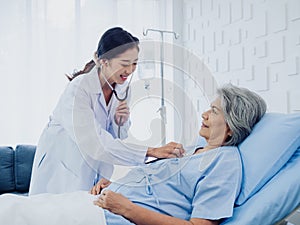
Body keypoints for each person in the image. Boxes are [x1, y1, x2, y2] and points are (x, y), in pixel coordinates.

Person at [0, 84, 266, 225]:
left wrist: (124, 206)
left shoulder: (224, 162)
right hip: (98, 203)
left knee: (12, 215)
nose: (204, 114)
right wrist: (115, 186)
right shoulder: (192, 152)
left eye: (214, 111)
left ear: (231, 127)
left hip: (109, 216)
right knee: (11, 206)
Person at [29, 27, 184, 195]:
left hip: (91, 167)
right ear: (104, 61)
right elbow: (94, 142)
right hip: (62, 165)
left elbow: (117, 136)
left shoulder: (122, 89)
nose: (130, 70)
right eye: (125, 64)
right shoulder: (79, 89)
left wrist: (121, 122)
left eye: (134, 63)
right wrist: (151, 151)